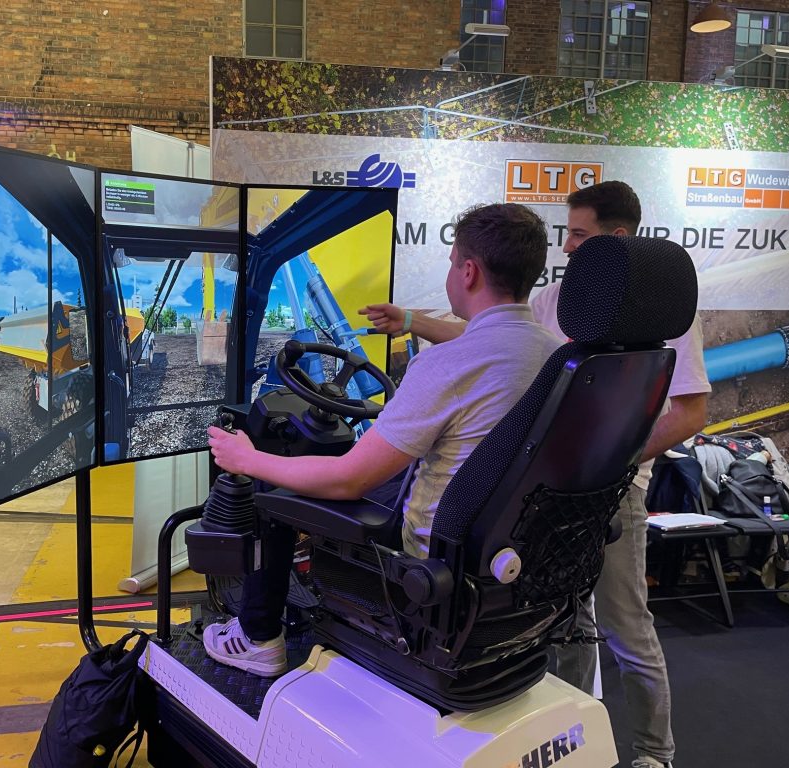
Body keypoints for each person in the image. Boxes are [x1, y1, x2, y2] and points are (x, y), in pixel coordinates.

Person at [361, 180, 709, 768]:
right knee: (561, 620)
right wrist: (413, 320)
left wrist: (605, 460)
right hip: (553, 490)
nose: (567, 247)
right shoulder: (560, 300)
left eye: (579, 235)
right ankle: (568, 737)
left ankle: (655, 754)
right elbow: (488, 333)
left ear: (616, 238)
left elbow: (691, 414)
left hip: (611, 489)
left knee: (626, 628)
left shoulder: (665, 319)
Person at [203, 202, 562, 678]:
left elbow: (348, 480)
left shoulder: (447, 364)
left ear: (469, 272)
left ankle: (258, 637)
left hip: (426, 556)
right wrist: (411, 320)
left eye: (452, 262)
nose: (451, 273)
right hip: (500, 542)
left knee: (275, 488)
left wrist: (247, 459)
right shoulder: (555, 356)